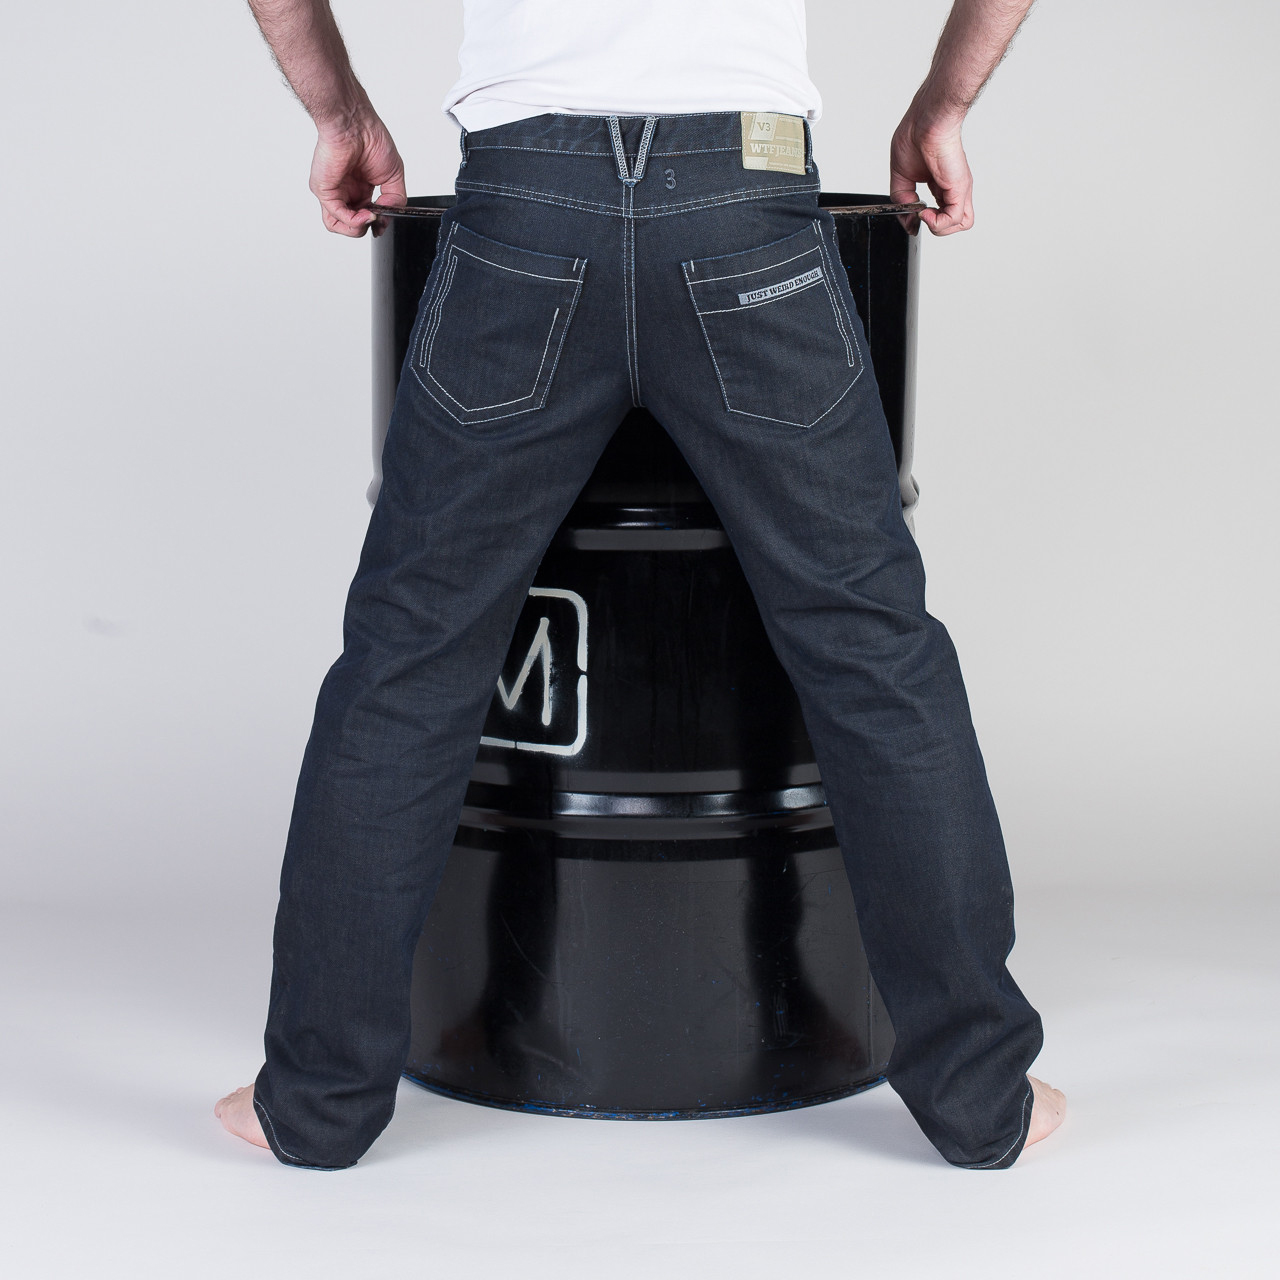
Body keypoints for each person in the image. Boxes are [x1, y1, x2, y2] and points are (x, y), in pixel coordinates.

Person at [217, 0, 1066, 1170]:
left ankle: (314, 1104)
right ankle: (977, 1101)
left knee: (408, 659)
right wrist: (943, 104)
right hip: (743, 199)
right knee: (872, 648)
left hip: (523, 202)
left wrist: (339, 113)